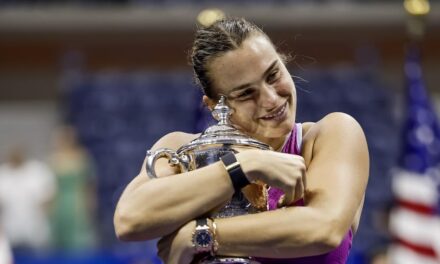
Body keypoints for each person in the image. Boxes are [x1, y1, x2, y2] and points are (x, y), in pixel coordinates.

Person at [114, 17, 369, 264]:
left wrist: (201, 234)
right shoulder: (183, 147)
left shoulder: (331, 135)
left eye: (273, 75)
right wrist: (243, 166)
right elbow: (130, 219)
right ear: (214, 106)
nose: (271, 99)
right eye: (246, 93)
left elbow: (324, 228)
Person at [0, 146, 56, 253]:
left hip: (35, 230)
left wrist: (47, 212)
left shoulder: (37, 170)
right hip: (10, 229)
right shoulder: (2, 173)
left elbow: (49, 197)